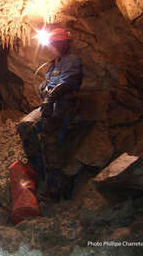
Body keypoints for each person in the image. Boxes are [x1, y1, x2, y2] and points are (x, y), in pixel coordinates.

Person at [17, 27, 83, 201]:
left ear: (63, 43)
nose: (51, 47)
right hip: (48, 106)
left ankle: (55, 190)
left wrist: (50, 98)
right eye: (51, 44)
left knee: (50, 139)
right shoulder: (53, 64)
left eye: (54, 43)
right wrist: (46, 95)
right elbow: (46, 85)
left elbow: (68, 82)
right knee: (25, 126)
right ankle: (38, 173)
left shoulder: (72, 60)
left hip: (64, 106)